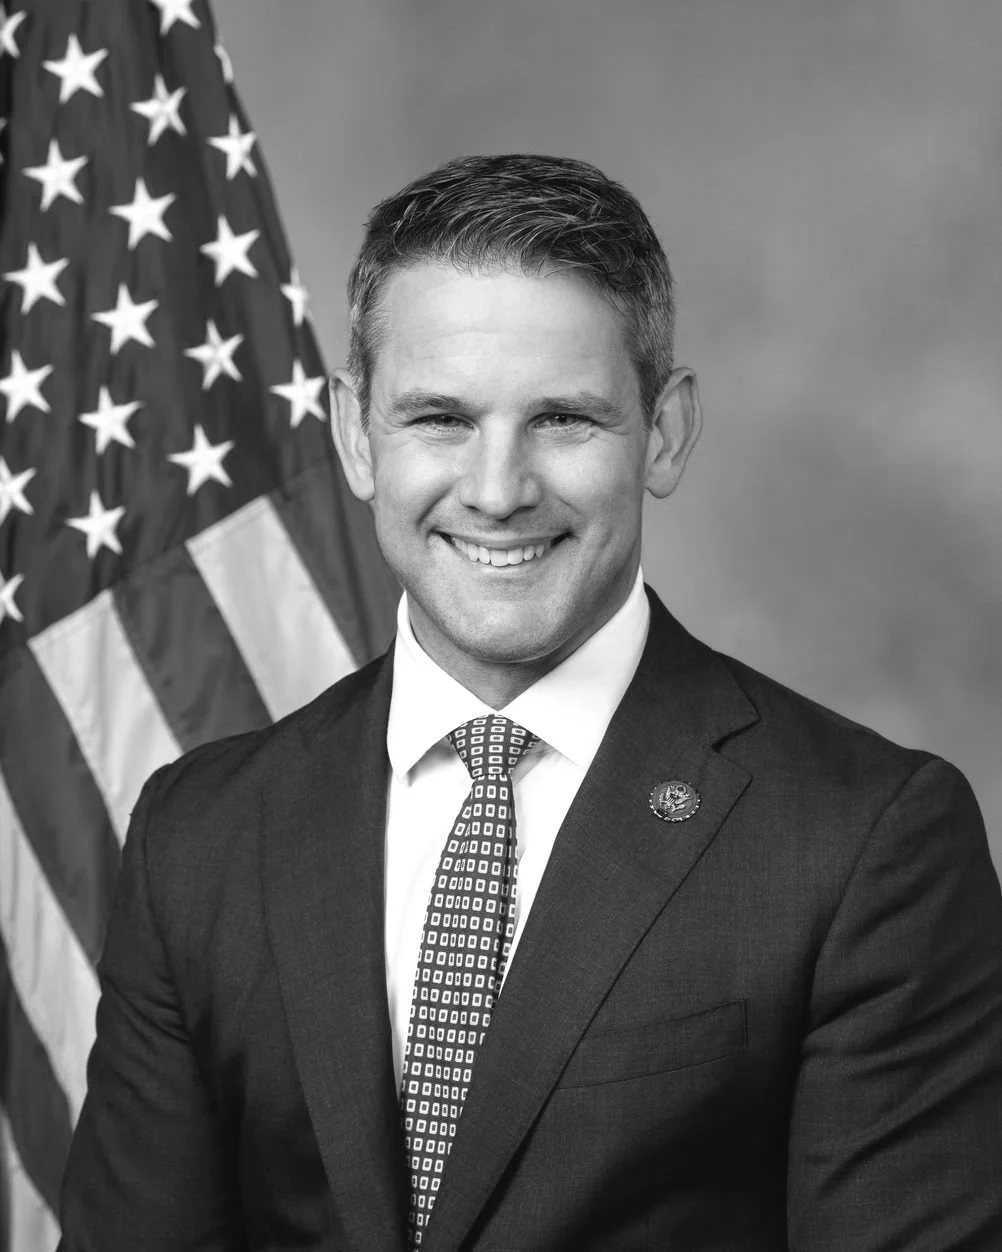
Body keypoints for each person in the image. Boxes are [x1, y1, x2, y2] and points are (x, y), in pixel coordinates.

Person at [59, 154, 1002, 1251]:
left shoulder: (867, 844)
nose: (499, 490)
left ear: (664, 432)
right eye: (440, 419)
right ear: (358, 431)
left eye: (563, 419)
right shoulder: (201, 835)